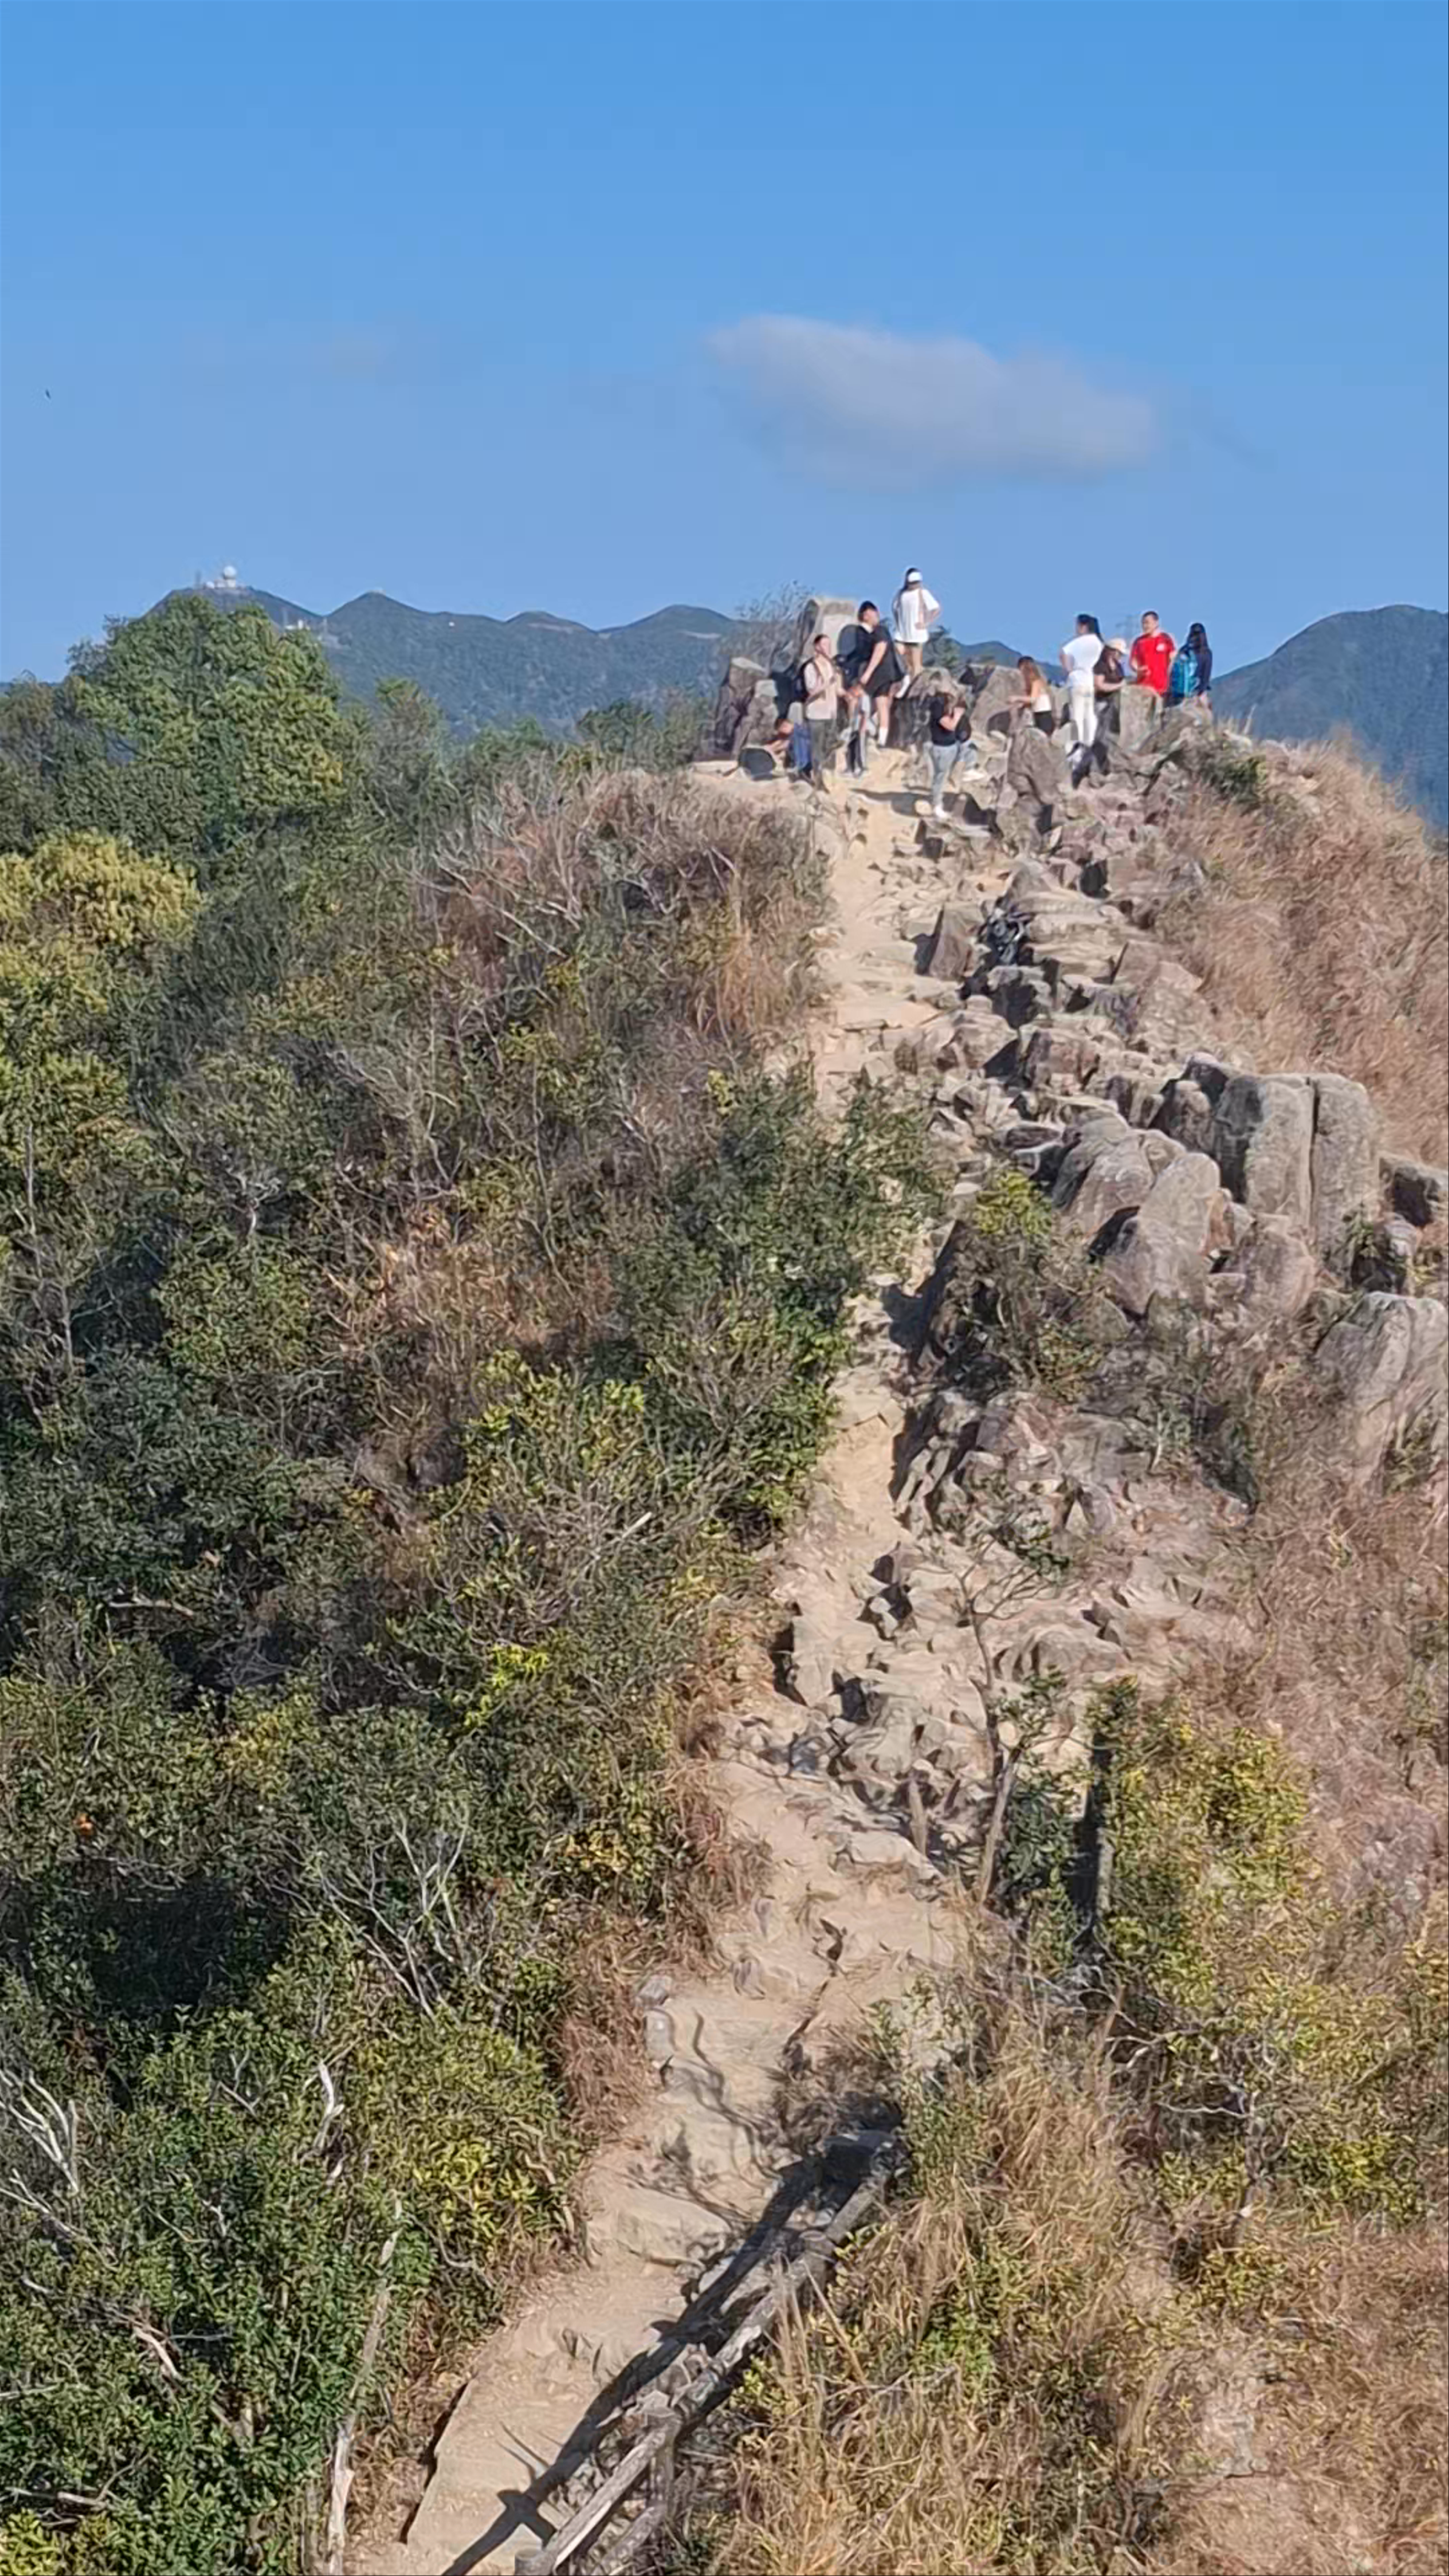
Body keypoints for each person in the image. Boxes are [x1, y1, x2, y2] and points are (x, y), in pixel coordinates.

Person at [843, 601, 901, 762]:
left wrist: (868, 673)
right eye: (873, 613)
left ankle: (853, 729)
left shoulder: (880, 631)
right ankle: (881, 739)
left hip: (878, 673)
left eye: (875, 613)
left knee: (854, 696)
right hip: (887, 674)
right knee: (882, 704)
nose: (876, 616)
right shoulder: (874, 633)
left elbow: (880, 649)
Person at [1060, 614, 1103, 777]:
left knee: (1076, 717)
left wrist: (1070, 670)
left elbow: (1063, 653)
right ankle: (1088, 746)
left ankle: (1073, 753)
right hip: (1090, 682)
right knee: (1089, 716)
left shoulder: (1082, 641)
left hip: (1077, 681)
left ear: (1083, 626)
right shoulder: (1098, 643)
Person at [801, 631, 840, 786]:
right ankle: (818, 779)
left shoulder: (832, 666)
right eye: (824, 645)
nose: (828, 648)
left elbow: (836, 689)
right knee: (817, 748)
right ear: (817, 647)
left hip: (831, 712)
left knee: (829, 747)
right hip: (816, 713)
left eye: (829, 645)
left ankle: (828, 778)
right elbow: (811, 690)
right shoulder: (810, 667)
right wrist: (827, 683)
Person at [926, 686, 969, 819]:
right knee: (940, 777)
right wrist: (957, 715)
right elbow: (950, 725)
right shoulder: (937, 705)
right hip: (942, 748)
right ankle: (936, 805)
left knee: (968, 749)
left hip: (951, 745)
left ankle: (968, 770)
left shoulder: (945, 704)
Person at [891, 567, 941, 683]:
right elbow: (895, 609)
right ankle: (907, 679)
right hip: (902, 632)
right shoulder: (901, 593)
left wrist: (926, 623)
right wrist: (898, 623)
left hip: (916, 633)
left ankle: (915, 685)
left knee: (916, 663)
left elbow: (936, 609)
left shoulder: (923, 593)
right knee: (900, 654)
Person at [1128, 610, 1176, 696]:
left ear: (1156, 623)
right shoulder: (1139, 642)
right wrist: (1138, 670)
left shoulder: (1166, 639)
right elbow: (1133, 662)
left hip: (1162, 688)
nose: (1145, 626)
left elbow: (1173, 659)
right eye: (1143, 623)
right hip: (1143, 687)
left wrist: (1170, 677)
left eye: (1147, 623)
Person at [1168, 622, 1214, 707]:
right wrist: (1202, 693)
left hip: (1178, 692)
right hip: (1196, 691)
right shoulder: (1206, 653)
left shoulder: (1184, 650)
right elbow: (1206, 675)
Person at [1014, 655, 1054, 735]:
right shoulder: (1036, 682)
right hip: (1038, 716)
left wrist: (1017, 698)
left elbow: (1033, 699)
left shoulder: (1036, 682)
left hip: (1044, 717)